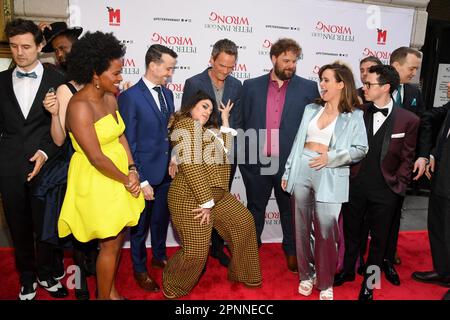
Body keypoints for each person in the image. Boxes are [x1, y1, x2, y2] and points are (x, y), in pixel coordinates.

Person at [57, 31, 145, 300]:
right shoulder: (79, 106)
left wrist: (132, 168)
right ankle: (103, 297)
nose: (120, 78)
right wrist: (125, 178)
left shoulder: (110, 97)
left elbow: (120, 134)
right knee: (108, 243)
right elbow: (95, 157)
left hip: (118, 174)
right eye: (115, 73)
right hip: (97, 178)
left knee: (118, 240)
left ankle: (110, 290)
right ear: (96, 73)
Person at [281, 62, 368, 300]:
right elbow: (298, 142)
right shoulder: (311, 109)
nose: (322, 84)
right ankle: (306, 275)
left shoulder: (354, 116)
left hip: (330, 172)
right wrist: (289, 171)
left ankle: (326, 281)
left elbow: (361, 149)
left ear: (341, 84)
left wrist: (331, 157)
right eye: (321, 80)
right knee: (300, 228)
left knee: (326, 230)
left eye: (327, 80)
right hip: (302, 169)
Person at [162, 90, 261, 299]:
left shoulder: (206, 131)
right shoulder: (186, 125)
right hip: (190, 197)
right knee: (197, 251)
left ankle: (244, 272)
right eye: (203, 106)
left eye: (209, 107)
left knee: (243, 222)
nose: (207, 111)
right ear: (190, 107)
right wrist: (206, 203)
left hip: (216, 196)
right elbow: (192, 166)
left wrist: (225, 118)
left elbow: (226, 150)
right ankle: (173, 283)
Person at [334, 64, 419, 300]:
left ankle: (370, 283)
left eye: (370, 84)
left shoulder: (408, 120)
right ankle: (348, 271)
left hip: (386, 190)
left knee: (379, 241)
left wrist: (398, 187)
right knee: (351, 233)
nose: (365, 87)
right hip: (356, 185)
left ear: (386, 88)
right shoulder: (358, 112)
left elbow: (407, 157)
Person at [238, 38, 319, 273]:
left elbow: (314, 126)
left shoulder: (308, 88)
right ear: (273, 59)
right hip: (258, 160)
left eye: (294, 61)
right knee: (255, 208)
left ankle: (292, 250)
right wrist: (245, 157)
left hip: (289, 163)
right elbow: (241, 122)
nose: (291, 65)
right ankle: (251, 249)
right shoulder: (250, 85)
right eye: (286, 60)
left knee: (289, 210)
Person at [0, 18, 68, 300]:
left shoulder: (58, 81)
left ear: (40, 46)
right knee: (17, 224)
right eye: (14, 46)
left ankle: (45, 272)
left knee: (46, 225)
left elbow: (62, 130)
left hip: (48, 164)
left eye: (26, 46)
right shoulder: (1, 81)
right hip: (9, 165)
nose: (20, 52)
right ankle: (27, 276)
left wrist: (42, 153)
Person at [118, 44, 177, 293]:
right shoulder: (130, 97)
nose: (170, 74)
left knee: (162, 219)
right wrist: (140, 180)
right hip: (144, 175)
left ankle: (160, 255)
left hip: (166, 171)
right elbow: (128, 142)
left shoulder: (168, 94)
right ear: (153, 65)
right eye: (168, 68)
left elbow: (171, 132)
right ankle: (140, 269)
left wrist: (174, 157)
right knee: (140, 228)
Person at [181, 38, 242, 267]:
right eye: (221, 65)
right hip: (200, 155)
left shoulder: (237, 86)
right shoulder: (193, 82)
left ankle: (217, 248)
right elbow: (187, 120)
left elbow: (238, 120)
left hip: (225, 156)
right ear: (211, 59)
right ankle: (198, 250)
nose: (225, 71)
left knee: (219, 201)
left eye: (230, 66)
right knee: (198, 202)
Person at [384, 47, 426, 278]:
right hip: (373, 166)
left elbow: (421, 126)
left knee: (394, 213)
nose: (413, 73)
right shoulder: (375, 89)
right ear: (396, 65)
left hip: (401, 168)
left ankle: (388, 256)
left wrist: (422, 154)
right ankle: (360, 255)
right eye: (411, 68)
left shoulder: (413, 92)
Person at [411, 81, 450, 292]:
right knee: (437, 226)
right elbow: (441, 132)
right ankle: (443, 271)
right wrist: (432, 153)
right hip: (441, 179)